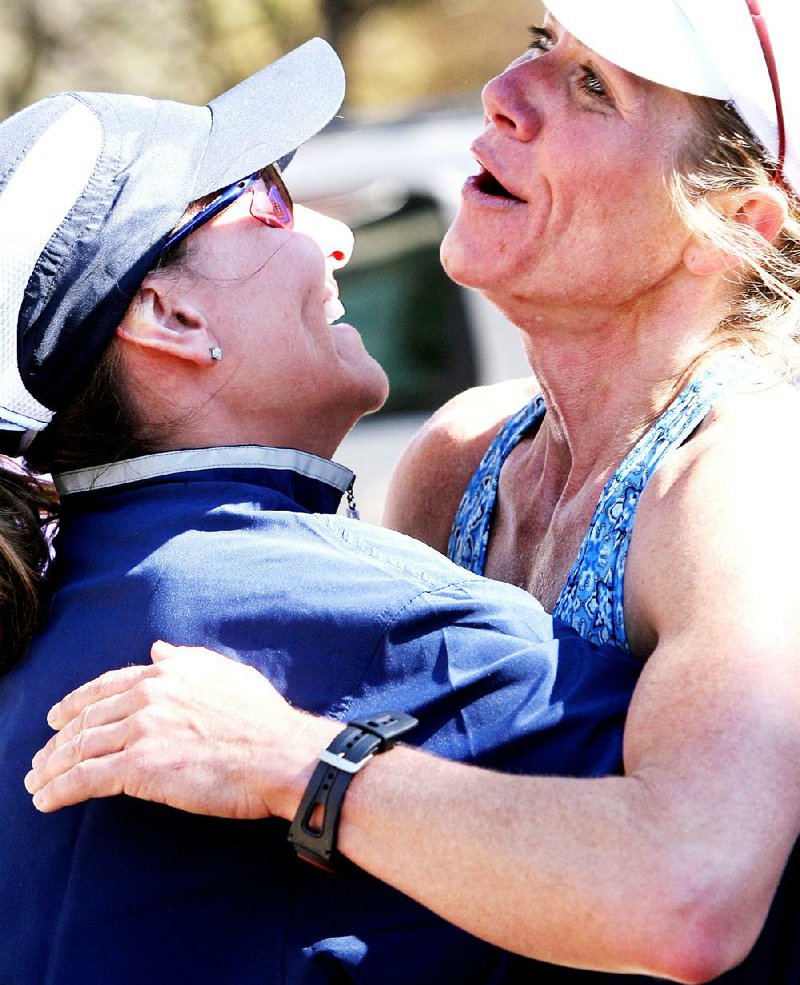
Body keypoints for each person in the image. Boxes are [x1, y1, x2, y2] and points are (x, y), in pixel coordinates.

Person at [26, 2, 800, 982]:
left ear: (730, 229)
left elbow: (687, 897)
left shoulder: (745, 475)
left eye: (593, 86)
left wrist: (293, 762)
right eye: (537, 48)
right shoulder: (461, 451)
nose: (503, 94)